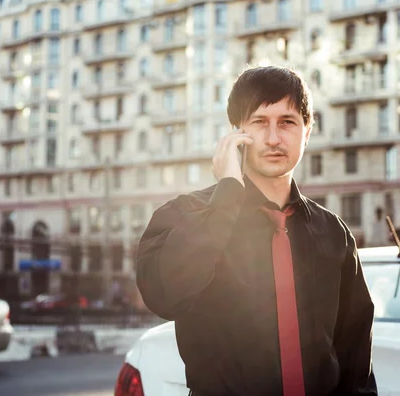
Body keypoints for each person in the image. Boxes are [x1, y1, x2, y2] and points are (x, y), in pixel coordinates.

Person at [136, 66, 377, 395]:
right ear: (236, 132)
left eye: (287, 122)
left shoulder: (334, 233)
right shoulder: (184, 215)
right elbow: (164, 295)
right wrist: (228, 193)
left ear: (307, 131)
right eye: (260, 122)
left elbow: (355, 354)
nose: (274, 138)